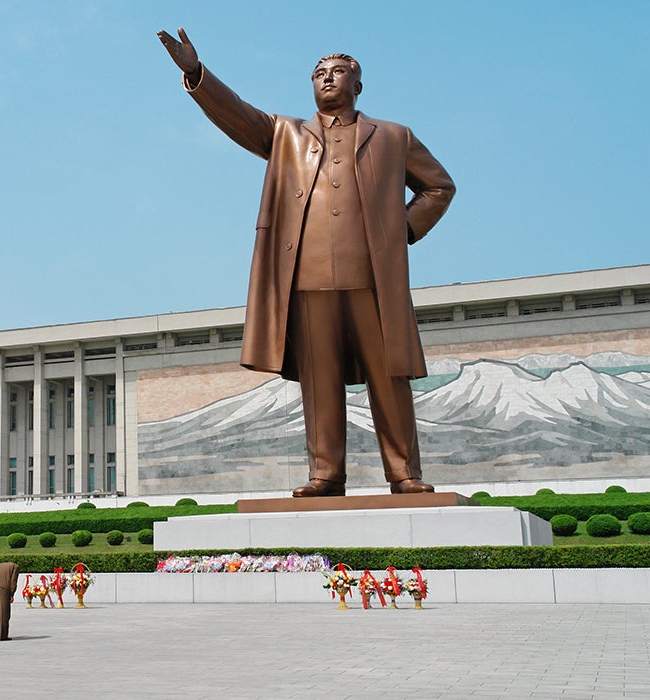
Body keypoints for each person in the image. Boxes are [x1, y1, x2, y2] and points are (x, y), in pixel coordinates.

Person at [157, 29, 455, 498]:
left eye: (337, 72)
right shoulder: (285, 135)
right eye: (318, 73)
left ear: (358, 85)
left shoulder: (394, 137)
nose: (327, 78)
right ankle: (326, 474)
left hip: (372, 277)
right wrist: (196, 74)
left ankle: (403, 473)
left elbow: (439, 187)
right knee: (318, 379)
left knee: (388, 374)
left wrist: (403, 229)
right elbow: (238, 115)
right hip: (307, 277)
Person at [0, 561, 20, 641]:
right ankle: (3, 636)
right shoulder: (15, 567)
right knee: (4, 612)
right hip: (4, 589)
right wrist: (11, 593)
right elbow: (13, 581)